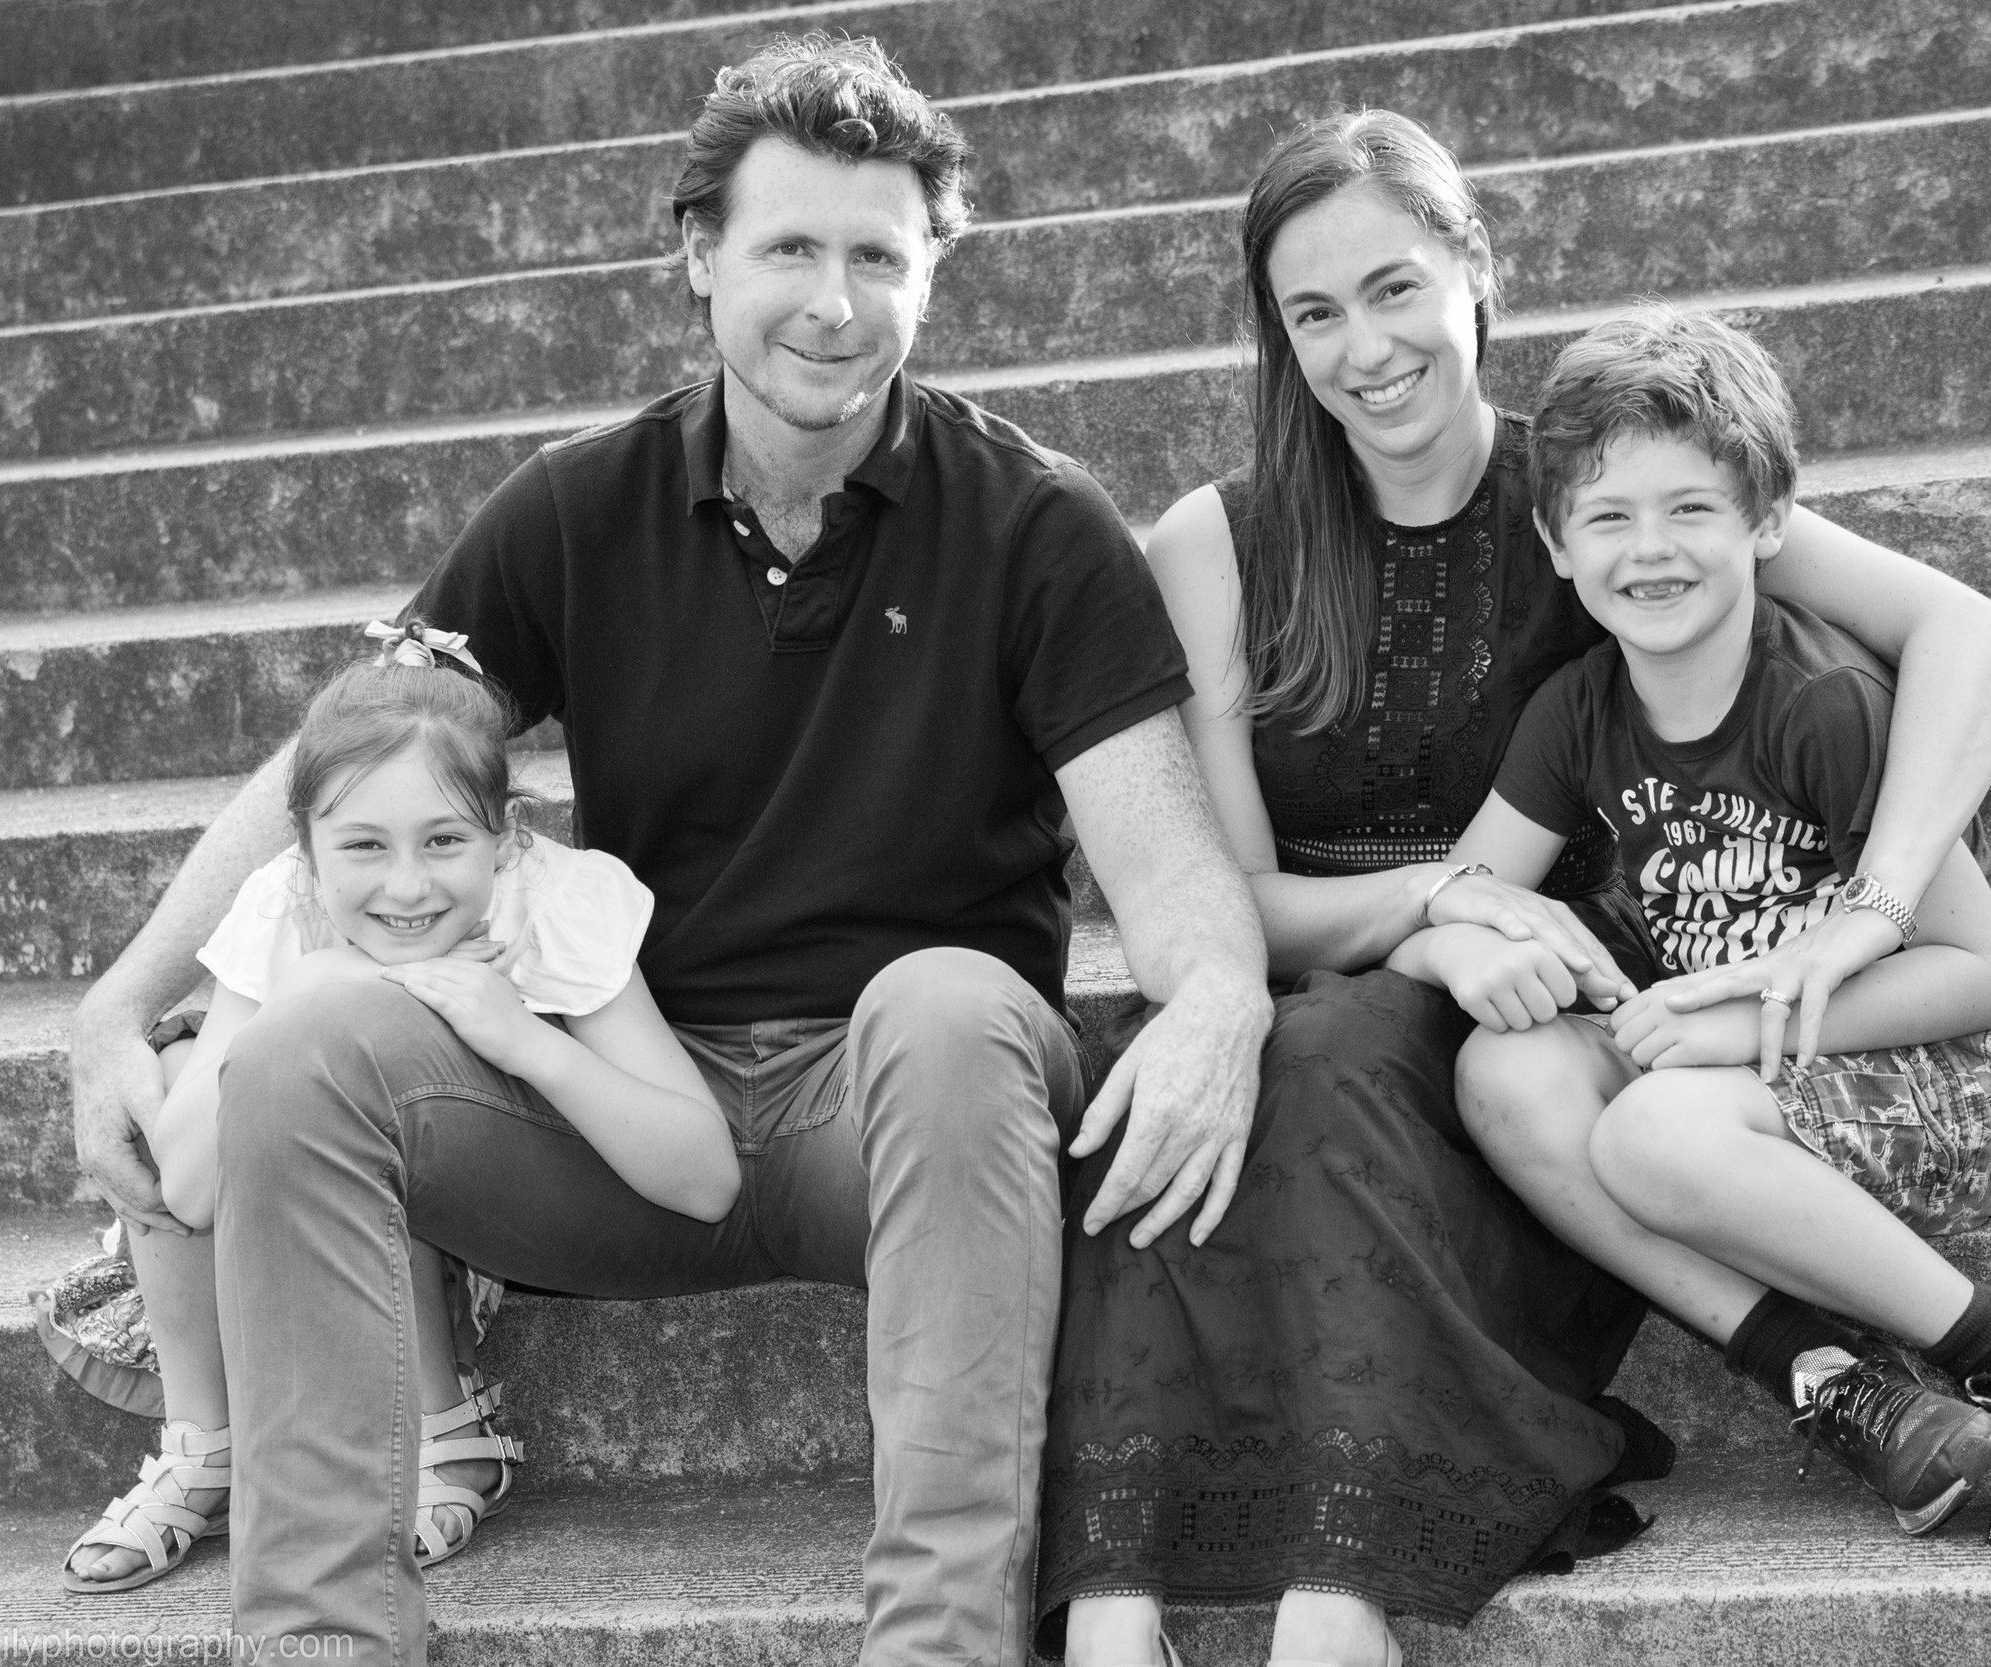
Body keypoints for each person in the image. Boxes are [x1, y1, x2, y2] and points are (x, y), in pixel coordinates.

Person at [66, 34, 1272, 1667]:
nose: (832, 303)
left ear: (930, 273)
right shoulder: (583, 506)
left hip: (910, 1118)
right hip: (632, 1105)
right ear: (701, 255)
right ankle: (322, 1638)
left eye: (878, 257)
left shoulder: (1036, 523)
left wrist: (1220, 1001)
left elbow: (1170, 864)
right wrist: (118, 1002)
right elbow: (347, 758)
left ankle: (938, 1647)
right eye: (789, 248)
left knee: (949, 1003)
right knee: (304, 1047)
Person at [1040, 112, 1991, 1667]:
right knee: (1177, 1080)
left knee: (1325, 1055)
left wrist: (1880, 903)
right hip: (1356, 993)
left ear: (1476, 270)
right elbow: (1224, 901)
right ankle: (1115, 1602)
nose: (1365, 349)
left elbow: (1968, 632)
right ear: (1277, 334)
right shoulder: (1220, 544)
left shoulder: (1601, 491)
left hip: (1567, 1032)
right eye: (1314, 312)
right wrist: (1440, 910)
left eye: (1393, 288)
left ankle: (1339, 1591)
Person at [1411, 302, 1991, 1550]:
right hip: (1752, 1084)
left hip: (1950, 1079)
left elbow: (1976, 974)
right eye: (1608, 516)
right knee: (1504, 1070)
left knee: (1651, 1128)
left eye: (1689, 508)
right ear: (1554, 542)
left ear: (1767, 521)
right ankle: (1842, 1383)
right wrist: (1456, 934)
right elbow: (1458, 889)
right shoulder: (1575, 710)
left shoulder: (1822, 701)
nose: (1650, 550)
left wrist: (1731, 1026)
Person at [54, 637, 738, 1593]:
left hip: (489, 1202)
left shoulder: (553, 900)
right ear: (306, 851)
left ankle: (446, 1425)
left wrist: (524, 1039)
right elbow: (193, 1188)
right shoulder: (284, 905)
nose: (407, 886)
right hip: (291, 1223)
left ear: (505, 836)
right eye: (364, 845)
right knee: (177, 1074)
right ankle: (205, 1442)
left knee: (360, 1075)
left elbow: (707, 1178)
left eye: (445, 841)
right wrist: (319, 985)